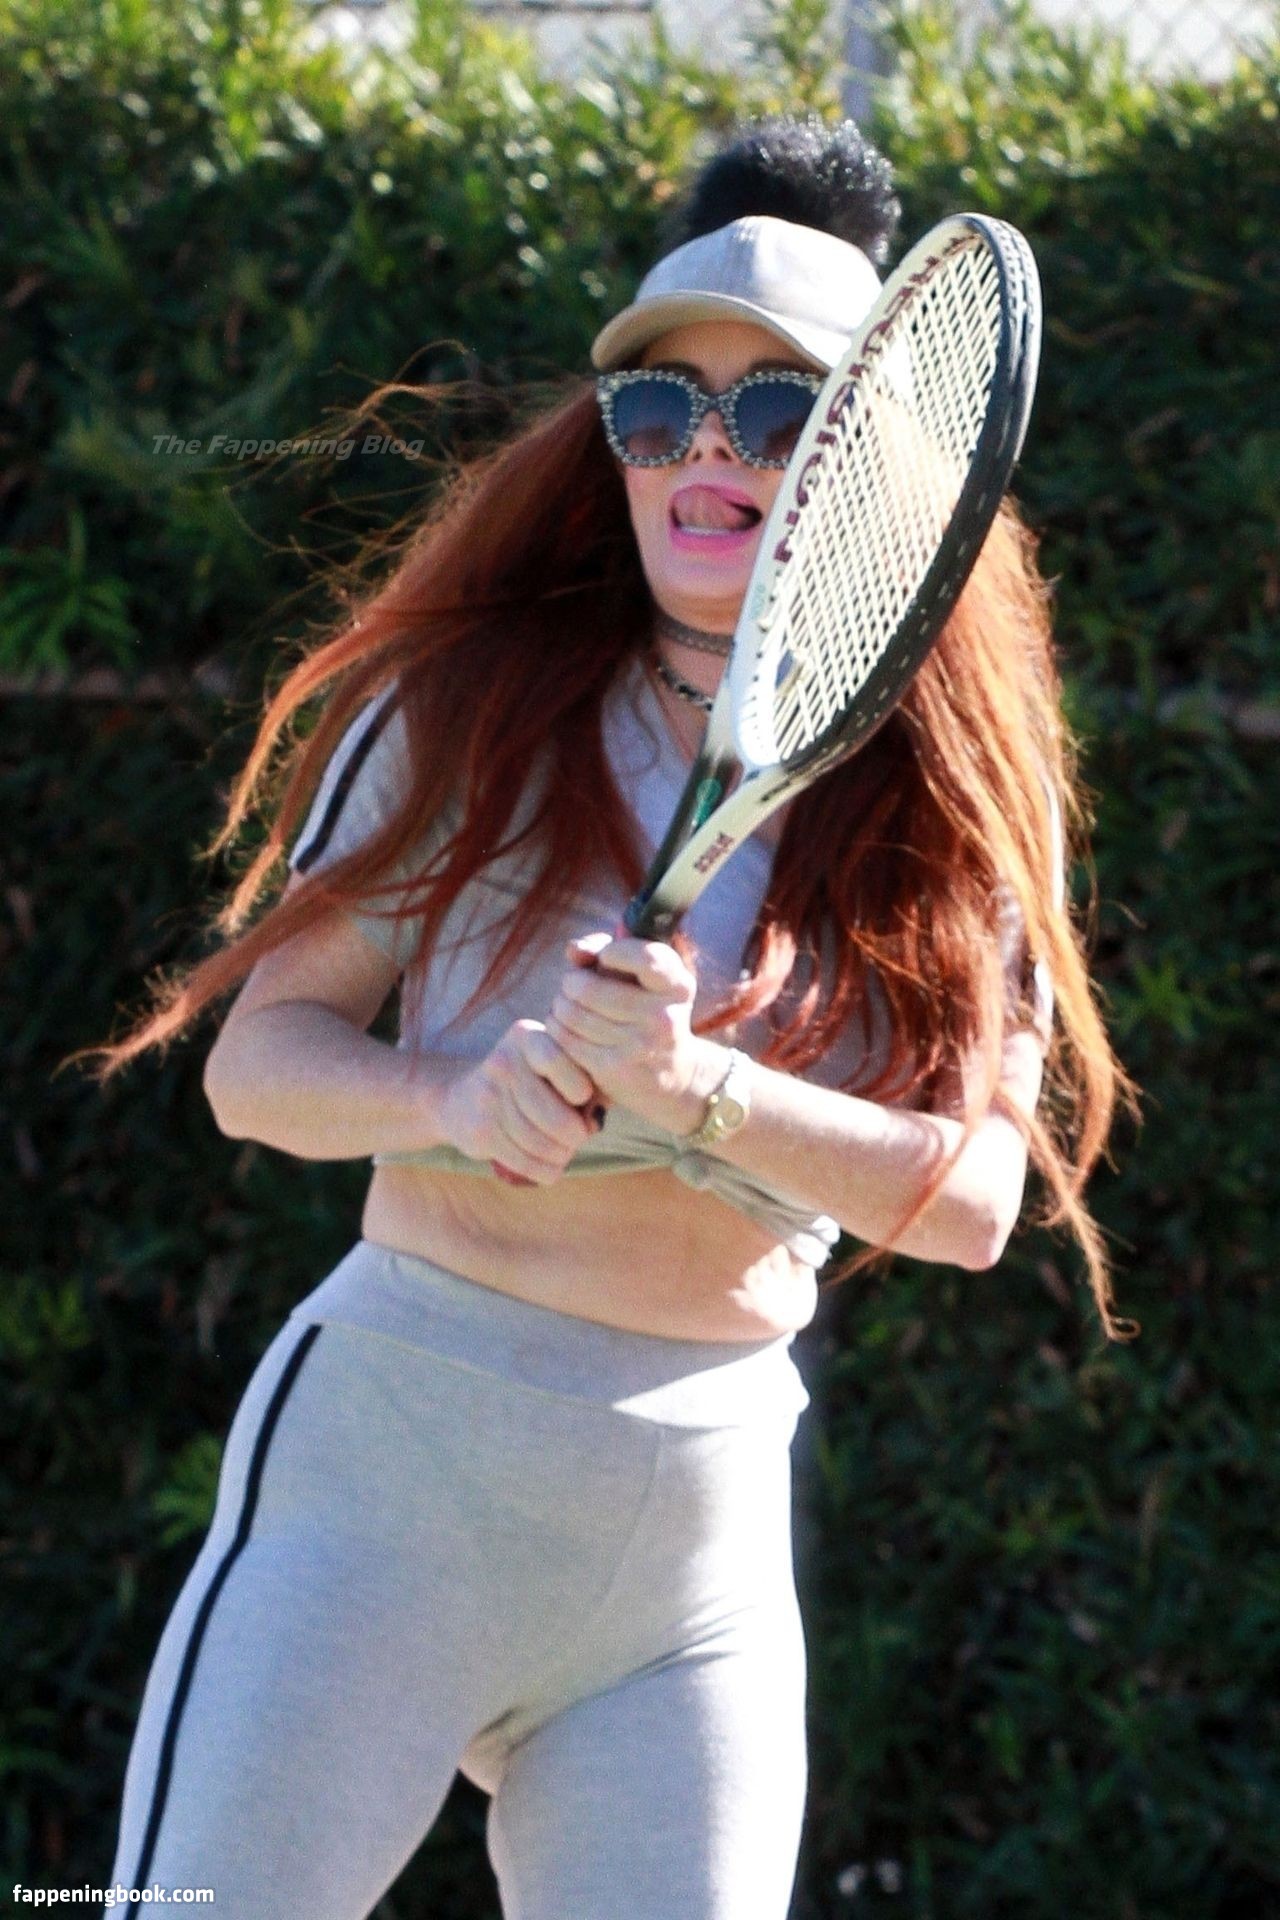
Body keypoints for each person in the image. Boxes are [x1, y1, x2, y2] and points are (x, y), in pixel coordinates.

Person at [76, 116, 1139, 1920]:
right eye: (659, 409)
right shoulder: (467, 706)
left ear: (872, 458)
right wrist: (452, 1098)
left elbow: (968, 1203)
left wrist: (699, 1090)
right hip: (385, 1485)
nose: (707, 451)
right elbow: (258, 1071)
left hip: (694, 1561)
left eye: (775, 409)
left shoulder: (954, 798)